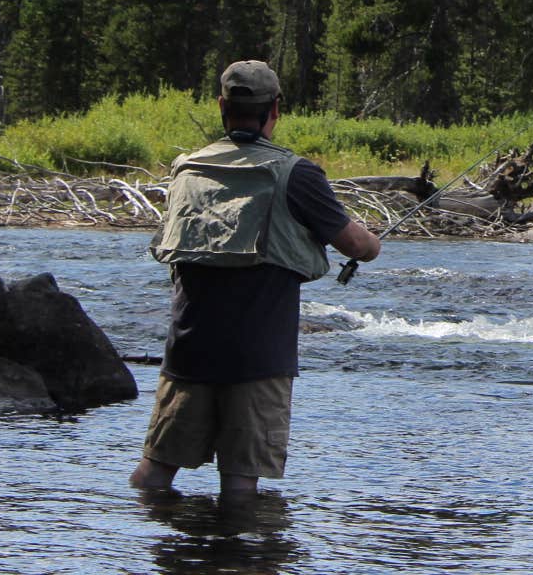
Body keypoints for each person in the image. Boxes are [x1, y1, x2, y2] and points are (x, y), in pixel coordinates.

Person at [130, 60, 380, 497]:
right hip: (259, 356)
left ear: (222, 106)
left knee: (155, 471)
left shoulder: (186, 169)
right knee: (241, 482)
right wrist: (374, 243)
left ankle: (150, 547)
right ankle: (239, 558)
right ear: (275, 109)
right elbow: (357, 247)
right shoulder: (296, 174)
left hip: (188, 349)